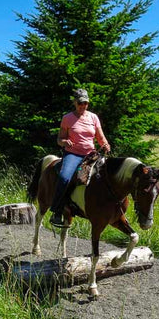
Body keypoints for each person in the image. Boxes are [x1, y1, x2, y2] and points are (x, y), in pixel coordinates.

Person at [50, 88, 111, 227]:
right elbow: (60, 139)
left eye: (85, 103)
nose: (83, 106)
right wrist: (64, 142)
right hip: (73, 154)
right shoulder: (67, 118)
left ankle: (104, 209)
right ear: (75, 103)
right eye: (80, 103)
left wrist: (106, 145)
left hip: (91, 154)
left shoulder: (93, 117)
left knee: (107, 175)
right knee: (65, 177)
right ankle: (57, 211)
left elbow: (100, 137)